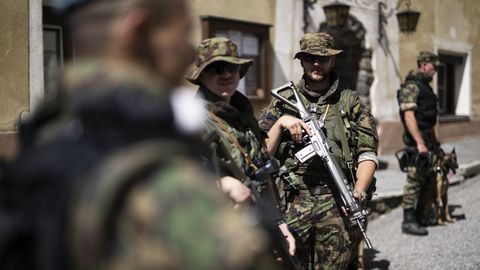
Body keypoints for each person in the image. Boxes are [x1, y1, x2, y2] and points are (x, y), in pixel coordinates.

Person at [0, 0, 278, 269]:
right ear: (140, 31)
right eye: (182, 35)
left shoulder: (37, 148)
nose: (185, 54)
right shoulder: (170, 188)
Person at [258, 32, 378, 269]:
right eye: (310, 57)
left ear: (332, 61)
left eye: (322, 58)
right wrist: (281, 122)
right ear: (301, 60)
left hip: (336, 198)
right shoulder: (283, 100)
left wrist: (359, 192)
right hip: (292, 200)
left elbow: (367, 152)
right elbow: (260, 156)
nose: (316, 63)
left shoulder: (349, 102)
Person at [186, 37, 296, 262]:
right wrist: (223, 185)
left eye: (232, 67)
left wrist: (278, 222)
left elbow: (263, 172)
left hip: (257, 226)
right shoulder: (191, 121)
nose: (226, 74)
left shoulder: (244, 115)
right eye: (217, 68)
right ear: (202, 75)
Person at [397, 51, 440, 236]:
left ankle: (421, 215)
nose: (436, 69)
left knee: (428, 179)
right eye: (434, 66)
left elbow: (428, 118)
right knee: (413, 182)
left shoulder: (426, 87)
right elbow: (409, 116)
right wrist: (420, 143)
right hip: (417, 143)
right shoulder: (413, 86)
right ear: (424, 64)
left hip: (429, 141)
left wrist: (433, 142)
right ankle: (408, 221)